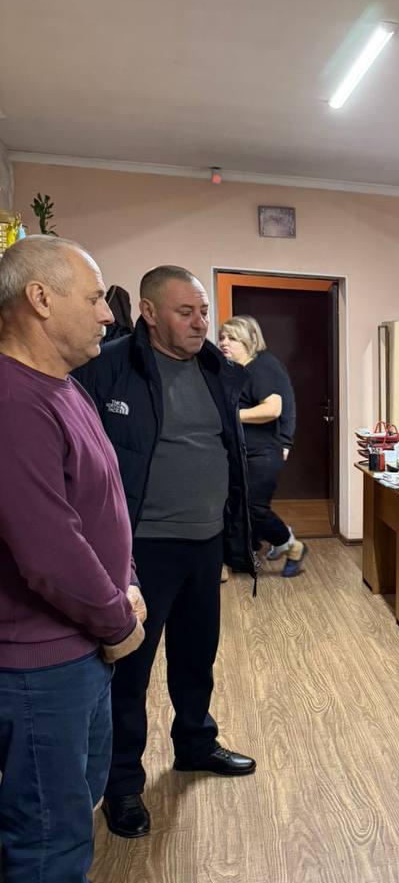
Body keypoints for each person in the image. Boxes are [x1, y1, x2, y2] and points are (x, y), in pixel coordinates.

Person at [0, 235, 156, 883]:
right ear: (39, 299)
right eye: (93, 297)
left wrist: (125, 583)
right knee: (47, 821)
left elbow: (100, 504)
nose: (106, 313)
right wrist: (118, 618)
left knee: (75, 800)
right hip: (40, 661)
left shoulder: (62, 386)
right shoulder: (12, 401)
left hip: (82, 647)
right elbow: (48, 549)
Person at [73, 265, 257, 840]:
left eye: (203, 311)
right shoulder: (106, 368)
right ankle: (123, 783)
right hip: (141, 547)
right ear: (149, 313)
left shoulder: (217, 369)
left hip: (205, 542)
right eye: (186, 312)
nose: (200, 322)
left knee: (197, 654)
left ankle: (196, 743)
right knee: (131, 669)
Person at [218, 315, 306, 576]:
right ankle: (237, 558)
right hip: (240, 452)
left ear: (250, 340)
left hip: (262, 453)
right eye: (222, 337)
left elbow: (273, 409)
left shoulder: (263, 366)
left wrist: (232, 416)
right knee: (236, 507)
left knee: (253, 508)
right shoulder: (236, 369)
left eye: (232, 338)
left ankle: (291, 545)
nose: (224, 342)